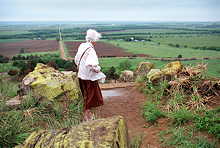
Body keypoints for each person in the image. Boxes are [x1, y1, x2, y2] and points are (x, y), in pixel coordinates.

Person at [74, 29, 106, 121]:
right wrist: (98, 69)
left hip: (81, 74)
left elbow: (76, 60)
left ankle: (85, 112)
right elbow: (92, 64)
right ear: (93, 40)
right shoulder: (91, 50)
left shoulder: (82, 46)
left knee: (85, 94)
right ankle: (88, 115)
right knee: (91, 95)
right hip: (89, 76)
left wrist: (81, 68)